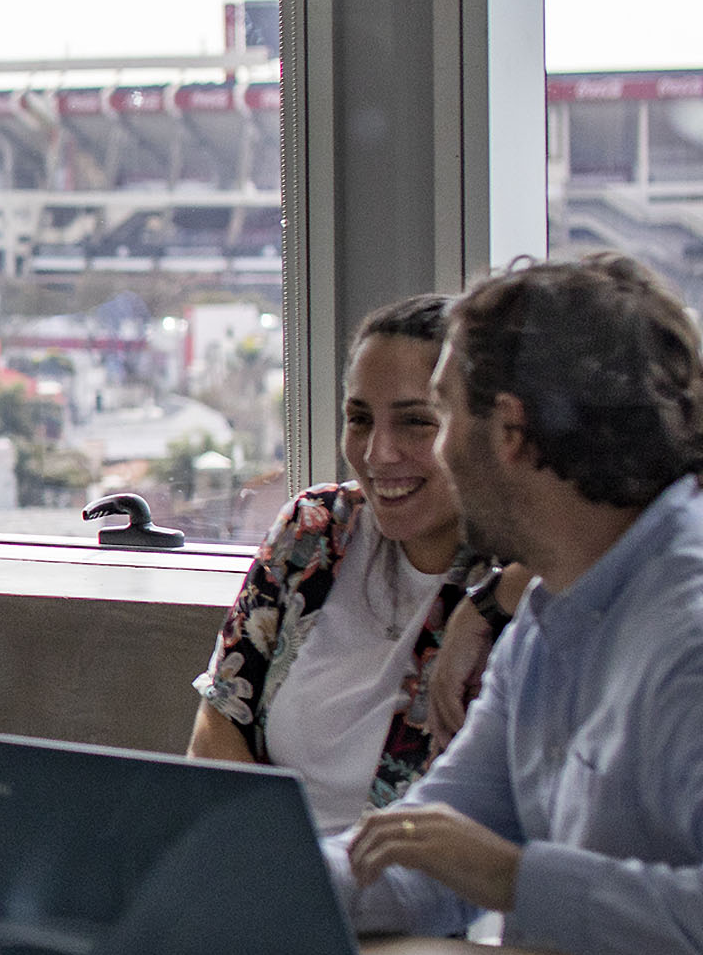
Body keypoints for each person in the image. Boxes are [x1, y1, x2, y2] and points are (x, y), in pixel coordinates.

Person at [339, 252, 703, 955]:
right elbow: (421, 859)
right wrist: (222, 888)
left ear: (509, 430)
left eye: (443, 418)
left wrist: (514, 879)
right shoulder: (556, 616)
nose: (439, 453)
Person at [191, 295, 532, 832]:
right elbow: (219, 719)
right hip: (272, 866)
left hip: (416, 881)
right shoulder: (315, 530)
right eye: (359, 419)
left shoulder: (521, 574)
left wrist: (490, 603)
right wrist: (278, 861)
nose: (377, 453)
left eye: (416, 422)